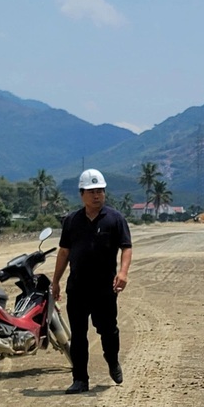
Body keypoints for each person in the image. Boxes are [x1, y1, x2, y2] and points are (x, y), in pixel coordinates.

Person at [52, 169, 133, 394]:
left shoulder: (115, 219)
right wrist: (56, 281)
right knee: (78, 335)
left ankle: (112, 360)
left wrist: (123, 272)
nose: (96, 195)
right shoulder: (71, 221)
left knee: (108, 331)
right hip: (77, 287)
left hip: (104, 288)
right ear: (82, 194)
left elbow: (126, 248)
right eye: (91, 191)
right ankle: (80, 379)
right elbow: (64, 252)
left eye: (100, 191)